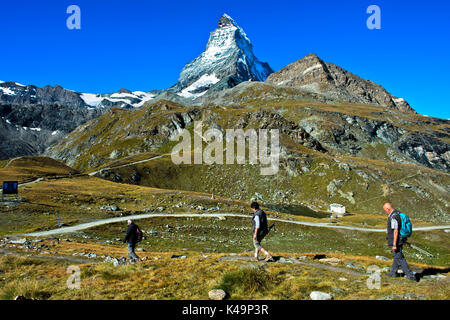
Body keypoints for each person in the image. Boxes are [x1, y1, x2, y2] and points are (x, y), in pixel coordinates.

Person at [383, 203, 417, 281]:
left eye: (385, 210)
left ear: (388, 209)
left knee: (399, 257)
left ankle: (410, 276)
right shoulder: (397, 213)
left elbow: (396, 231)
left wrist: (394, 244)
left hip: (397, 240)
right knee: (396, 256)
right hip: (401, 238)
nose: (386, 212)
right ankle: (393, 272)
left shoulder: (394, 217)